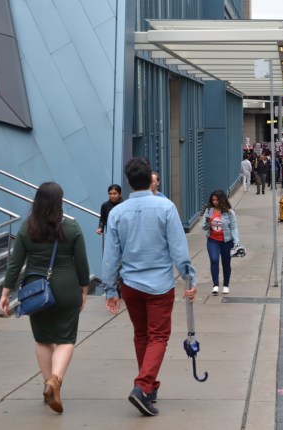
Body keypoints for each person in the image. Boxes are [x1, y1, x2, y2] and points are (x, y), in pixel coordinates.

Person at [102, 157, 196, 417]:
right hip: (159, 284)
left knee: (141, 335)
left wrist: (110, 290)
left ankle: (150, 386)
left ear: (128, 182)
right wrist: (189, 278)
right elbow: (179, 249)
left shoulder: (117, 212)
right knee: (158, 336)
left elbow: (110, 255)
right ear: (150, 179)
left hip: (130, 283)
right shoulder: (166, 208)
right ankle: (143, 386)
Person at [0, 182, 90, 414]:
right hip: (67, 287)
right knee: (66, 339)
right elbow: (81, 263)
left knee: (43, 340)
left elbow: (15, 264)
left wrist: (6, 292)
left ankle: (48, 383)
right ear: (59, 202)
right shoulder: (72, 227)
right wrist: (83, 288)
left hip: (37, 290)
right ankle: (55, 382)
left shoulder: (26, 228)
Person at [201, 190, 240, 295]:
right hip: (213, 240)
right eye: (213, 200)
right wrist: (207, 222)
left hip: (226, 241)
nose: (214, 202)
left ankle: (226, 285)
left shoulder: (229, 212)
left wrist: (236, 242)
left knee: (226, 263)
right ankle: (215, 285)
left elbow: (234, 228)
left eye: (217, 200)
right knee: (214, 260)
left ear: (222, 200)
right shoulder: (209, 211)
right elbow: (204, 227)